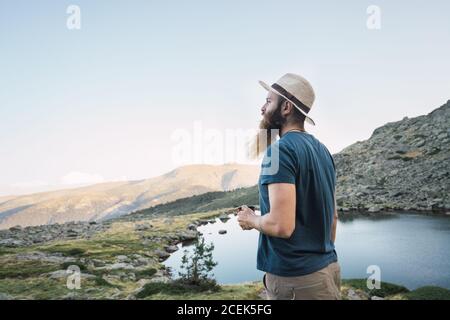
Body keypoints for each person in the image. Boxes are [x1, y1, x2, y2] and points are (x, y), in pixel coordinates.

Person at [237, 73, 340, 300]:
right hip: (328, 269)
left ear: (285, 108)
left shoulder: (279, 152)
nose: (262, 108)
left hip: (297, 280)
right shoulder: (323, 151)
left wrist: (250, 219)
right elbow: (333, 217)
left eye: (268, 101)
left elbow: (282, 226)